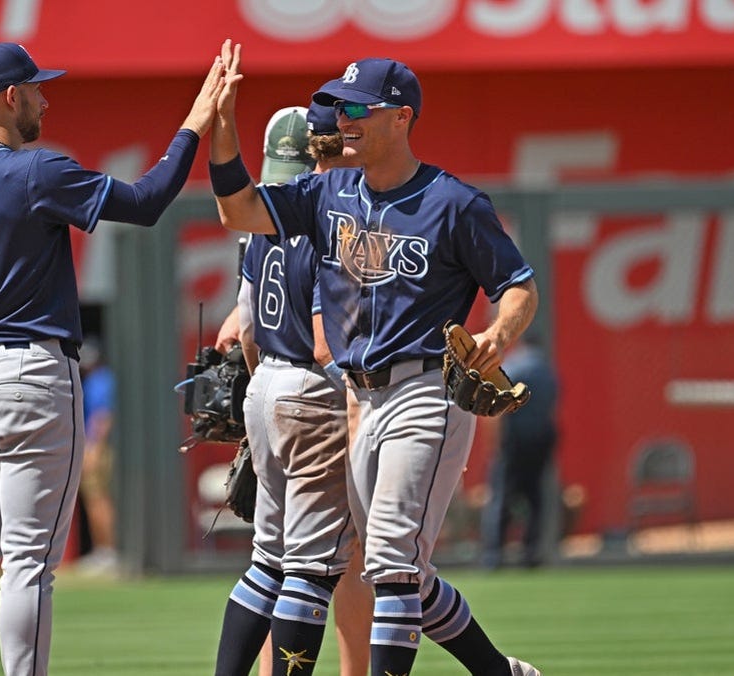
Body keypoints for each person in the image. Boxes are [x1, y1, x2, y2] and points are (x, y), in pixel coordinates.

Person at [208, 41, 543, 676]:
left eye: (359, 109)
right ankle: (499, 672)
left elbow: (519, 286)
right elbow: (238, 210)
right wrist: (222, 126)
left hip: (424, 392)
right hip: (357, 397)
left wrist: (499, 334)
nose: (344, 121)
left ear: (402, 117)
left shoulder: (454, 202)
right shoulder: (329, 191)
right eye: (339, 108)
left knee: (389, 561)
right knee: (402, 574)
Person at [0, 42, 223, 675]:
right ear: (11, 97)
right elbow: (149, 201)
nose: (46, 99)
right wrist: (194, 124)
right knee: (27, 561)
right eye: (38, 89)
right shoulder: (34, 171)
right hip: (32, 372)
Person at [210, 102, 372, 676]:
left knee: (267, 561)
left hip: (268, 382)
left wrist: (264, 398)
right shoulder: (332, 218)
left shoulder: (262, 224)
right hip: (314, 387)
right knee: (311, 569)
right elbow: (329, 345)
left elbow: (248, 328)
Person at [479, 333, 560, 570]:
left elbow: (498, 407)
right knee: (535, 497)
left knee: (501, 495)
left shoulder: (512, 367)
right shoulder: (546, 371)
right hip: (541, 438)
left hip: (513, 441)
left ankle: (494, 555)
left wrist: (494, 443)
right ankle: (531, 553)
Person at [76, 336, 119, 575]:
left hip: (97, 447)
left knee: (97, 498)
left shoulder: (101, 380)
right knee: (95, 497)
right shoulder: (96, 379)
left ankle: (107, 551)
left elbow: (102, 419)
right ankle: (103, 550)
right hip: (94, 445)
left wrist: (93, 449)